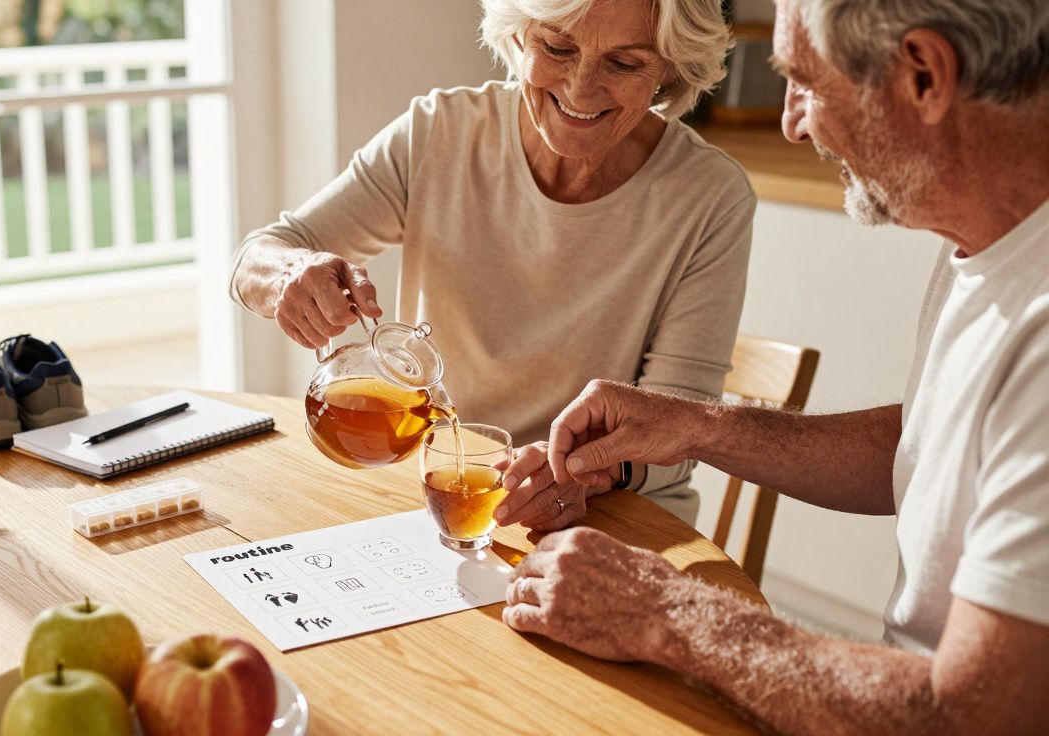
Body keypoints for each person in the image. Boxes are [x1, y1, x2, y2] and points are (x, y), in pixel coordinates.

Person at [497, 0, 1049, 731]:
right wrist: (693, 427)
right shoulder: (990, 240)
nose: (792, 122)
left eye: (807, 83)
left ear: (924, 75)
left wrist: (671, 611)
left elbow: (975, 715)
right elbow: (929, 450)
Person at [228, 0, 756, 524]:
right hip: (443, 497)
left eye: (624, 63)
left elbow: (680, 430)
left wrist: (591, 471)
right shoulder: (439, 132)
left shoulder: (709, 196)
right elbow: (260, 254)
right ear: (520, 36)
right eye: (557, 46)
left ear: (669, 68)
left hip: (608, 515)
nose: (580, 88)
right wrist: (289, 274)